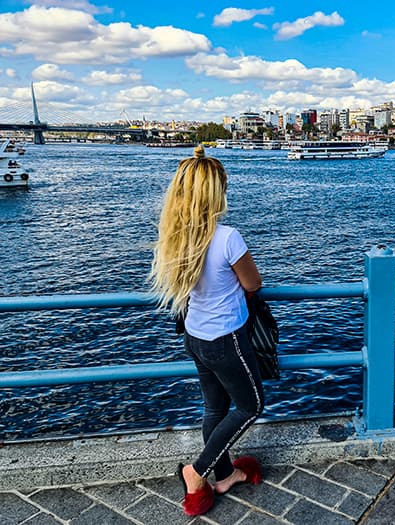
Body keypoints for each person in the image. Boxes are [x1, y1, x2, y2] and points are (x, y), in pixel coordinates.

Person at [149, 145, 265, 517]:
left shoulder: (176, 236)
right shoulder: (227, 237)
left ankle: (226, 473)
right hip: (225, 338)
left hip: (195, 336)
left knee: (215, 406)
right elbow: (253, 283)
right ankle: (196, 472)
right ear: (216, 192)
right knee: (251, 405)